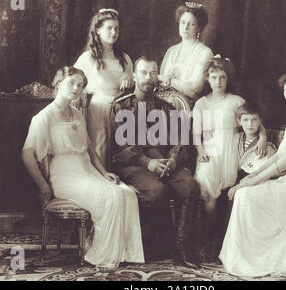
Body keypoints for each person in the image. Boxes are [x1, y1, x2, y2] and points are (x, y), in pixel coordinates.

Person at [21, 66, 144, 269]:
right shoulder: (43, 118)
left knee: (127, 193)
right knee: (110, 196)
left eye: (80, 85)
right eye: (72, 83)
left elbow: (88, 146)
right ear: (58, 83)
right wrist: (44, 187)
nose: (77, 88)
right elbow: (27, 155)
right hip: (64, 175)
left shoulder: (77, 113)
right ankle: (102, 255)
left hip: (87, 170)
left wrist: (104, 173)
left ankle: (126, 253)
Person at [219, 71, 286, 277]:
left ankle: (264, 258)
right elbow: (277, 158)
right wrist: (249, 179)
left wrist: (249, 183)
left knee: (246, 194)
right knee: (245, 194)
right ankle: (252, 257)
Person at [110, 56, 200, 268]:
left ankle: (182, 248)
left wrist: (173, 161)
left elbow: (180, 141)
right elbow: (120, 147)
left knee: (190, 186)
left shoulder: (168, 108)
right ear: (134, 75)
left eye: (153, 73)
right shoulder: (121, 106)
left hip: (165, 162)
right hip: (133, 164)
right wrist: (147, 162)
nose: (148, 78)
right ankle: (156, 246)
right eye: (143, 73)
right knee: (156, 191)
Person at [192, 56, 267, 261]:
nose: (218, 82)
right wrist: (200, 152)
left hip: (232, 150)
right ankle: (209, 236)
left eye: (222, 77)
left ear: (227, 79)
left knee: (229, 192)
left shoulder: (236, 101)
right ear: (207, 78)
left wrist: (262, 139)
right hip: (210, 150)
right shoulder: (201, 103)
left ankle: (223, 240)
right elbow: (196, 134)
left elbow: (256, 123)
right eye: (214, 77)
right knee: (206, 188)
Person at [74, 8, 133, 169]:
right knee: (101, 148)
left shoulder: (125, 59)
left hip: (122, 109)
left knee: (122, 149)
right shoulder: (88, 58)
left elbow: (133, 88)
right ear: (98, 30)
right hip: (98, 109)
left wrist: (130, 81)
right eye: (109, 28)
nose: (114, 32)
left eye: (116, 28)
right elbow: (74, 83)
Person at [160, 2, 213, 101]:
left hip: (188, 107)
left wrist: (170, 81)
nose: (186, 27)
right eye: (183, 22)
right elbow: (161, 81)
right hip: (163, 103)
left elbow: (196, 88)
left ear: (199, 28)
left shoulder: (205, 53)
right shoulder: (171, 51)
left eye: (191, 24)